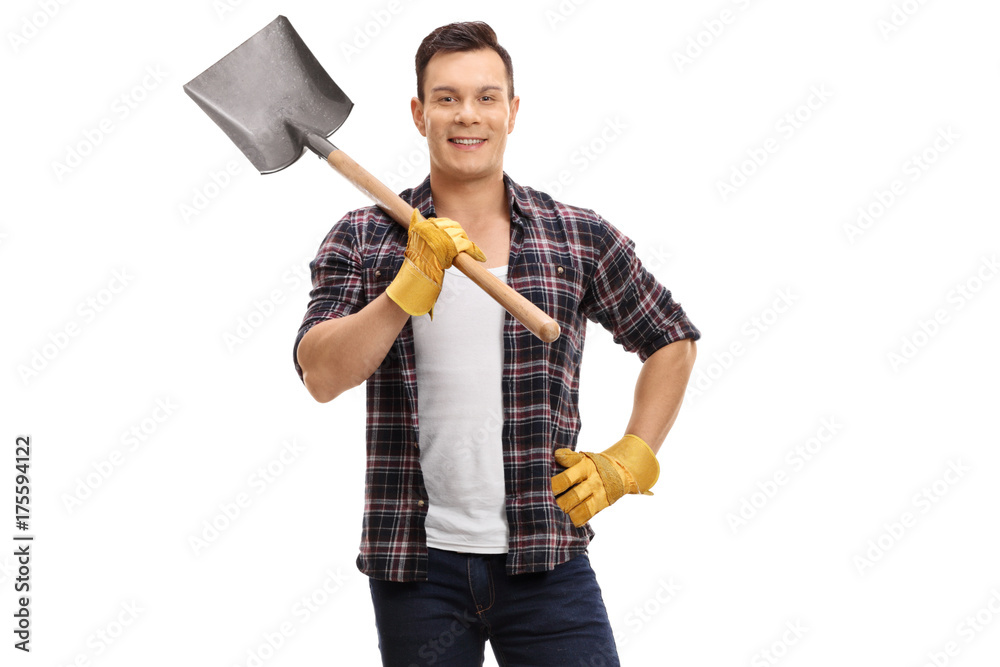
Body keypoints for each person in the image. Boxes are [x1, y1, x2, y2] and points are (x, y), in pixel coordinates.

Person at [294, 21, 700, 667]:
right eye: (447, 97)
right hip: (415, 570)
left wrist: (632, 456)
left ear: (512, 112)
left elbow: (669, 338)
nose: (467, 115)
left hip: (549, 561)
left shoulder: (577, 237)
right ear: (419, 112)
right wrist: (410, 282)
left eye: (486, 97)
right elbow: (321, 374)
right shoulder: (365, 236)